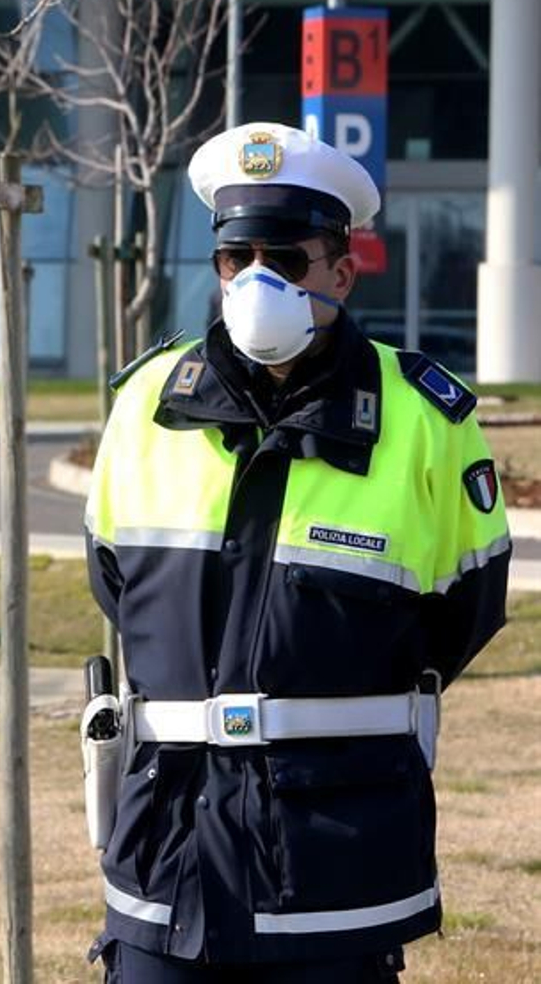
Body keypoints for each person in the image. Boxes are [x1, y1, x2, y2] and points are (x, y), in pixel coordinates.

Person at [81, 122, 511, 982]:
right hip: (169, 859)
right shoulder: (147, 404)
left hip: (336, 862)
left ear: (342, 273)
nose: (257, 279)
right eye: (236, 258)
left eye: (285, 258)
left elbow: (466, 610)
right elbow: (115, 582)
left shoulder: (426, 418)